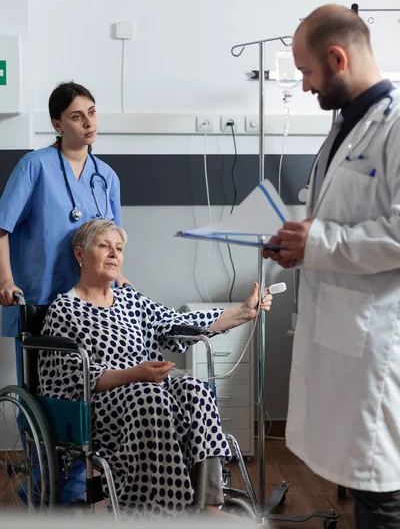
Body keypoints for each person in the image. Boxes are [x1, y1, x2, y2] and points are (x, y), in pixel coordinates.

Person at [263, 4, 400, 528]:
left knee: (382, 486)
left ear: (337, 58)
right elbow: (337, 221)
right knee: (364, 477)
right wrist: (297, 245)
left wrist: (317, 242)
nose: (303, 86)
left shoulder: (393, 125)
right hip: (345, 329)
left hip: (378, 337)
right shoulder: (345, 125)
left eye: (306, 72)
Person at [38, 219, 273, 519]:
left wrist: (243, 312)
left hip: (149, 386)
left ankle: (208, 505)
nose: (114, 254)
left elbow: (177, 324)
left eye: (119, 248)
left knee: (195, 389)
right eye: (104, 246)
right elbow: (69, 379)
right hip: (102, 405)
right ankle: (166, 514)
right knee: (151, 396)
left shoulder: (130, 299)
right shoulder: (63, 310)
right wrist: (136, 374)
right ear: (80, 254)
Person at [0, 81, 127, 504]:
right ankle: (47, 490)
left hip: (88, 303)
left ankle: (63, 489)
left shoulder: (105, 177)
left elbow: (113, 238)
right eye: (76, 115)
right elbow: (2, 228)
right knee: (46, 398)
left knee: (82, 392)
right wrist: (5, 280)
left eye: (92, 111)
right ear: (57, 123)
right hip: (38, 299)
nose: (88, 122)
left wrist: (119, 278)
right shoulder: (35, 166)